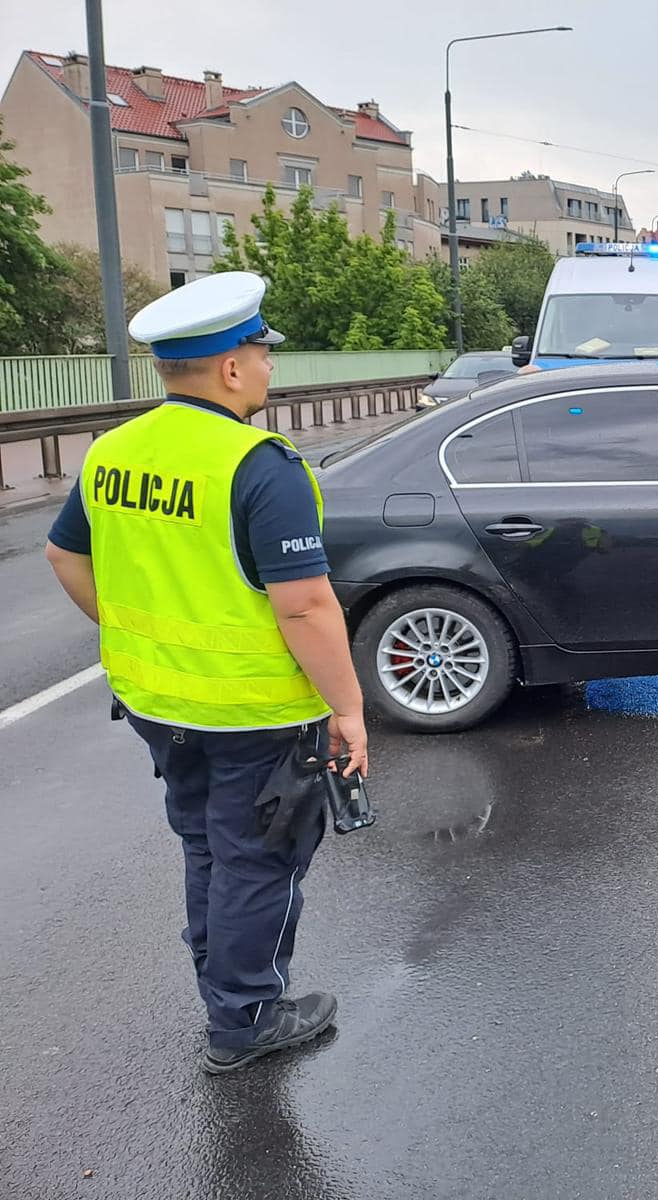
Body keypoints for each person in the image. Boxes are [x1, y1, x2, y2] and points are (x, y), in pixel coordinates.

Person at [43, 272, 368, 1075]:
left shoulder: (114, 450)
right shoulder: (260, 464)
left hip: (157, 703)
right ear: (230, 366)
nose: (268, 367)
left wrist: (134, 639)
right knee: (259, 858)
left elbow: (64, 554)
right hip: (253, 713)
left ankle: (221, 988)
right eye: (262, 352)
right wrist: (349, 708)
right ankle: (247, 1016)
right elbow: (304, 609)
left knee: (210, 851)